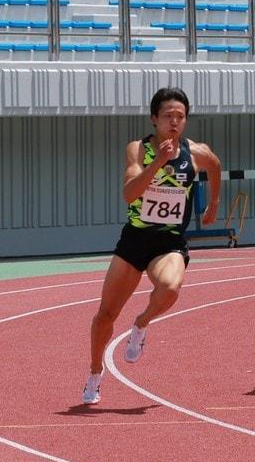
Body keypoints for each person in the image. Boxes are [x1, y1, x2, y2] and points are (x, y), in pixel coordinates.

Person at [83, 87, 221, 405]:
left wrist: (213, 203)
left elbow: (214, 166)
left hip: (169, 240)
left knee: (171, 288)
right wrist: (158, 162)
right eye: (168, 116)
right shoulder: (139, 149)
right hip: (135, 238)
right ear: (154, 119)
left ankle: (141, 324)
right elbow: (129, 194)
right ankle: (94, 373)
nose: (174, 122)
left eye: (180, 117)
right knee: (105, 314)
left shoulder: (195, 151)